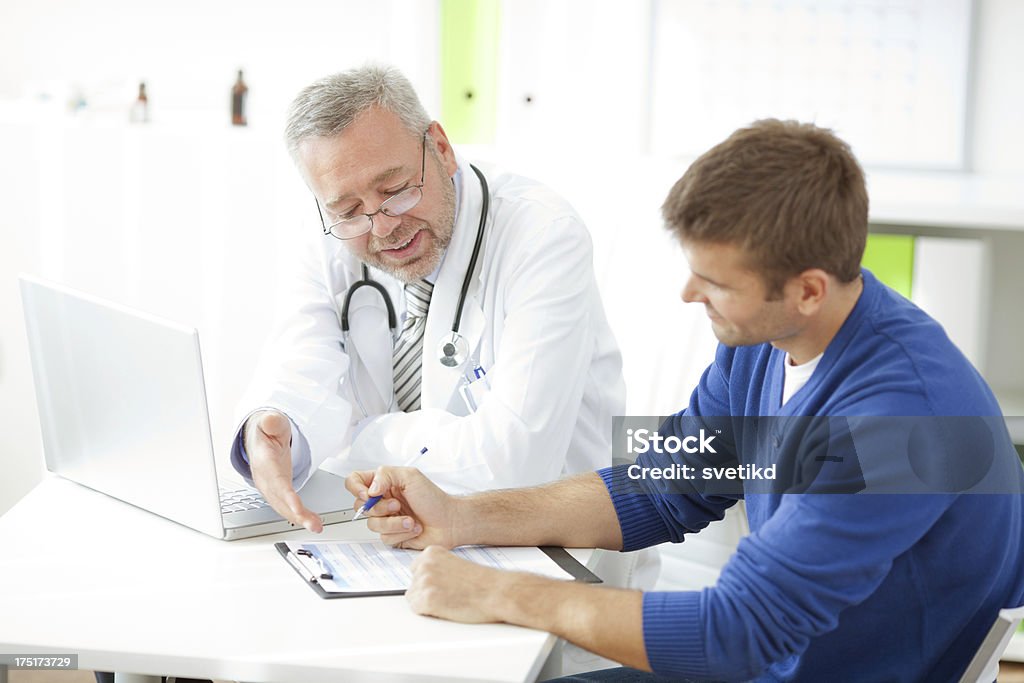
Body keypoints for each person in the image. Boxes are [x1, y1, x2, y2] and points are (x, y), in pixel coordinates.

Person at [343, 120, 1024, 681]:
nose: (689, 296)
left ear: (808, 288)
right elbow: (664, 487)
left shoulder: (903, 421)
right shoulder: (766, 337)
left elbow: (738, 631)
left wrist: (500, 593)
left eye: (715, 282)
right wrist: (461, 515)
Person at [231, 65, 624, 532]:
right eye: (348, 210)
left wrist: (357, 437)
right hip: (403, 536)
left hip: (557, 549)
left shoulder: (541, 235)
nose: (382, 227)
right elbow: (298, 364)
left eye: (396, 191)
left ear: (441, 148)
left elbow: (516, 464)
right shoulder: (333, 238)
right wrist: (275, 426)